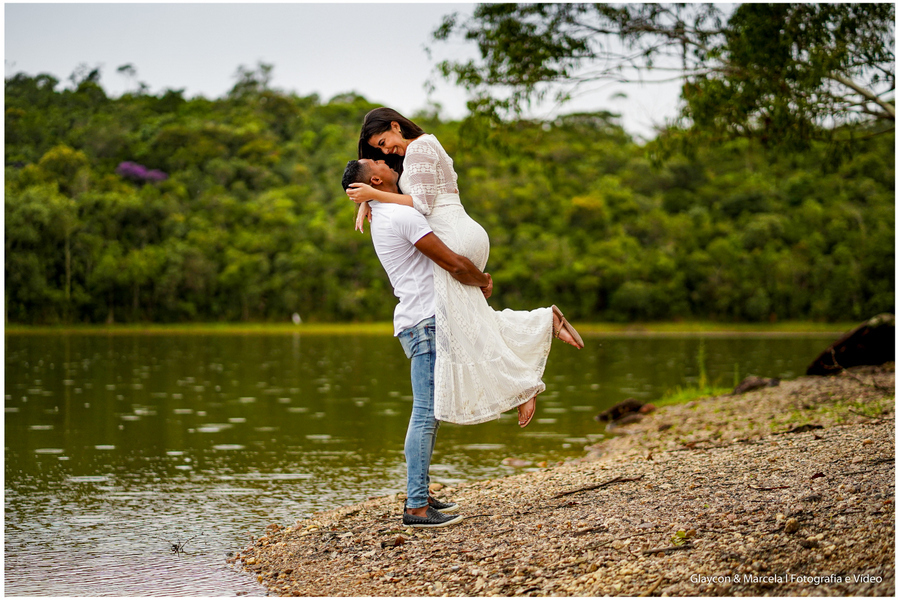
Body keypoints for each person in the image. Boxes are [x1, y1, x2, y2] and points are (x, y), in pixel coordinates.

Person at [346, 107, 583, 428]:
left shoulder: (420, 147)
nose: (386, 152)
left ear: (395, 126)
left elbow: (423, 203)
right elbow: (399, 188)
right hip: (460, 231)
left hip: (454, 235)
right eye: (379, 150)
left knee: (463, 327)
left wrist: (374, 195)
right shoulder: (416, 152)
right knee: (467, 323)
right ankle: (542, 326)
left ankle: (523, 382)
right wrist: (368, 200)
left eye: (384, 142)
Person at [341, 157, 495, 528]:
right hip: (424, 322)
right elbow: (451, 263)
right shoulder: (399, 216)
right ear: (377, 178)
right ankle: (416, 507)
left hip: (419, 320)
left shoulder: (384, 210)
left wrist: (367, 199)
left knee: (429, 411)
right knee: (425, 412)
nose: (387, 160)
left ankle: (421, 494)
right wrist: (482, 280)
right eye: (377, 160)